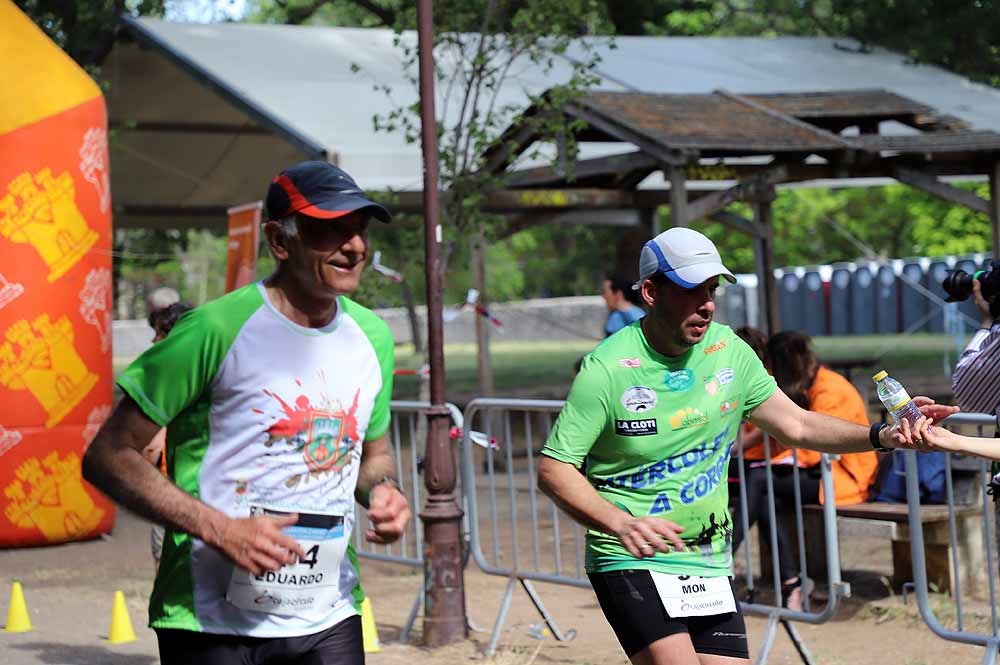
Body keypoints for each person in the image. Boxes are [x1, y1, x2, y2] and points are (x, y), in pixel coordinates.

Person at [536, 227, 956, 665]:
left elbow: (795, 423)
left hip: (708, 556)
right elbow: (554, 468)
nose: (707, 303)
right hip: (631, 556)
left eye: (712, 289)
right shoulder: (606, 369)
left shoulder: (729, 350)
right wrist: (619, 523)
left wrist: (880, 435)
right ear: (650, 292)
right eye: (690, 289)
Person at [83, 161, 411, 665]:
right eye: (331, 230)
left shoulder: (374, 338)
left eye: (359, 230)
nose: (355, 246)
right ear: (280, 241)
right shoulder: (212, 329)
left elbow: (374, 456)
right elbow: (108, 455)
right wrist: (221, 530)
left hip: (328, 613)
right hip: (211, 619)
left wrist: (385, 492)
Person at [730, 331, 877, 610]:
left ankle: (724, 555)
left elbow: (816, 441)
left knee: (760, 479)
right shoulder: (808, 385)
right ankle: (791, 582)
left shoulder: (829, 388)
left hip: (843, 475)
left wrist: (774, 456)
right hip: (816, 471)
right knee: (765, 495)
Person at [142, 301, 194, 570]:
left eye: (160, 332)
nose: (154, 340)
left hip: (175, 490)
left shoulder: (171, 378)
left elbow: (151, 448)